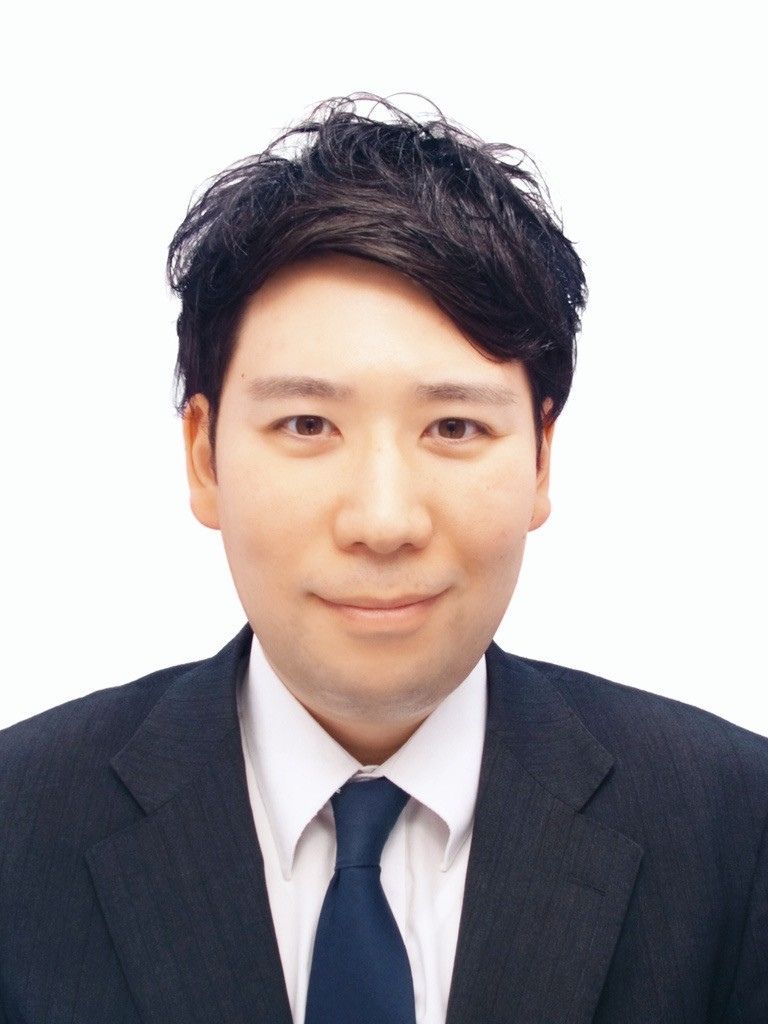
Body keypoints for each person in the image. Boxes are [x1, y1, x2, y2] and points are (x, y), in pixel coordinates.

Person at [0, 92, 766, 1024]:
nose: (383, 520)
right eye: (306, 424)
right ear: (203, 458)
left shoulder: (735, 827)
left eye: (454, 426)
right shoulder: (19, 825)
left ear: (540, 460)